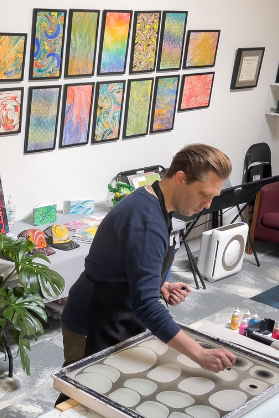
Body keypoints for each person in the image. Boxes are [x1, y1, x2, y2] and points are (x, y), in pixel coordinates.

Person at [58, 144, 237, 402]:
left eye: (212, 198)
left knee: (109, 392)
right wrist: (199, 353)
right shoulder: (146, 220)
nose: (206, 205)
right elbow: (147, 307)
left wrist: (158, 285)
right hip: (94, 322)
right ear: (180, 178)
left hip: (113, 311)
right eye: (203, 194)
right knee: (81, 399)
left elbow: (126, 262)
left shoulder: (151, 198)